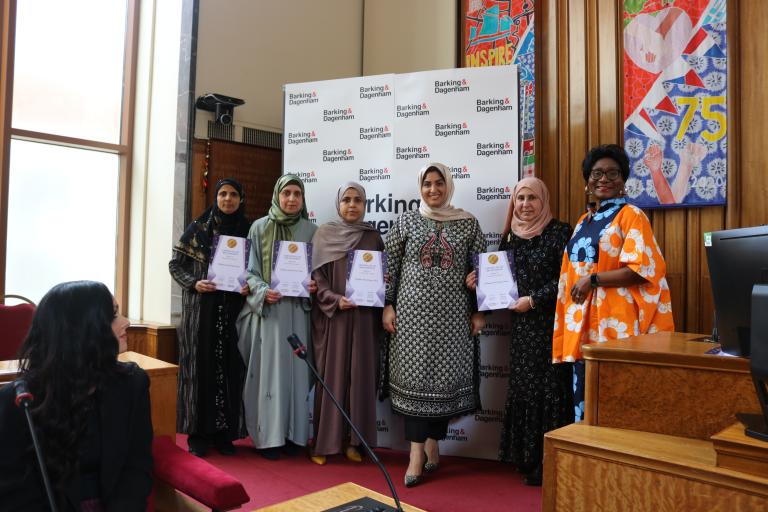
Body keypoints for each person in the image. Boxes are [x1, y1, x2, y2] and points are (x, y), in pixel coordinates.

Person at [0, 281, 152, 510]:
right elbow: (15, 494)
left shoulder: (132, 384)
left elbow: (136, 468)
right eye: (113, 316)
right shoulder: (18, 401)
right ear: (82, 331)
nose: (126, 322)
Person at [552, 144, 675, 420]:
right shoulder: (584, 221)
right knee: (585, 406)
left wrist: (593, 280)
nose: (604, 179)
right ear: (587, 181)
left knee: (617, 404)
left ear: (623, 181)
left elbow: (640, 269)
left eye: (612, 173)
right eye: (596, 174)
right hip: (583, 327)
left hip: (616, 325)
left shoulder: (631, 215)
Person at [382, 162, 486, 487]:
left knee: (443, 384)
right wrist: (387, 304)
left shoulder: (468, 224)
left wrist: (479, 305)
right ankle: (416, 454)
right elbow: (390, 265)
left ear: (449, 185)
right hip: (411, 319)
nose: (433, 190)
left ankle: (433, 442)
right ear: (420, 187)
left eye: (439, 183)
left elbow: (482, 267)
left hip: (452, 320)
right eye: (427, 184)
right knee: (415, 382)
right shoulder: (407, 220)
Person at [468, 177, 573, 486]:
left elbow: (568, 280)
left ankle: (549, 460)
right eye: (520, 199)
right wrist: (477, 282)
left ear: (544, 201)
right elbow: (497, 285)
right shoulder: (509, 239)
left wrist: (535, 300)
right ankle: (527, 458)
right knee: (526, 391)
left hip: (552, 328)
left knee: (551, 391)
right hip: (522, 332)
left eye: (532, 198)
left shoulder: (560, 233)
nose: (525, 205)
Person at [236, 175, 318, 460]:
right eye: (287, 193)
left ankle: (295, 437)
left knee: (297, 373)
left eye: (297, 193)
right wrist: (262, 290)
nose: (292, 199)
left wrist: (314, 286)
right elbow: (248, 270)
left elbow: (318, 274)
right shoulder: (259, 228)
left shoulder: (312, 231)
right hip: (270, 313)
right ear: (277, 195)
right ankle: (270, 439)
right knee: (271, 375)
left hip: (299, 311)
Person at [169, 178, 251, 457]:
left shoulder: (247, 230)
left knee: (228, 369)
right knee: (199, 371)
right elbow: (175, 265)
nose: (227, 199)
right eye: (223, 194)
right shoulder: (198, 228)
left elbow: (255, 271)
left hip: (231, 311)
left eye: (233, 194)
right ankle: (197, 434)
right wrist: (194, 282)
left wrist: (248, 285)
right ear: (215, 198)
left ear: (241, 199)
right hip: (201, 311)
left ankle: (223, 433)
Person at [309, 182, 384, 465]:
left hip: (364, 320)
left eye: (358, 200)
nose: (352, 205)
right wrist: (334, 299)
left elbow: (380, 278)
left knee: (360, 379)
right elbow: (317, 279)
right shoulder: (324, 235)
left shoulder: (372, 237)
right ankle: (324, 443)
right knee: (333, 379)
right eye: (347, 200)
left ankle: (355, 442)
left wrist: (380, 286)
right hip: (335, 319)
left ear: (365, 205)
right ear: (339, 204)